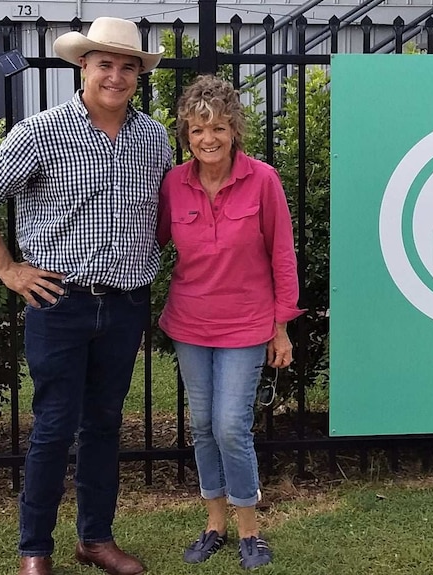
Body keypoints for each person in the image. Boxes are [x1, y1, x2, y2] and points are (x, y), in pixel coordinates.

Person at [0, 17, 172, 575]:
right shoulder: (42, 131)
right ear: (83, 66)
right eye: (105, 64)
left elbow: (165, 213)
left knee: (104, 424)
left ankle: (95, 539)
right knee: (53, 427)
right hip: (59, 302)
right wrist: (7, 268)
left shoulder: (154, 138)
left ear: (138, 76)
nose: (116, 76)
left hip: (124, 304)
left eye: (128, 67)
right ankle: (35, 549)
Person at [157, 75, 302, 570]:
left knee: (231, 426)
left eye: (217, 127)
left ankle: (250, 531)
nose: (207, 139)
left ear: (234, 130)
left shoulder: (262, 180)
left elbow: (282, 255)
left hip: (246, 323)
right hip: (190, 321)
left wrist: (281, 325)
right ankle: (213, 524)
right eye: (197, 130)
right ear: (186, 136)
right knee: (201, 425)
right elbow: (149, 241)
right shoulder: (173, 184)